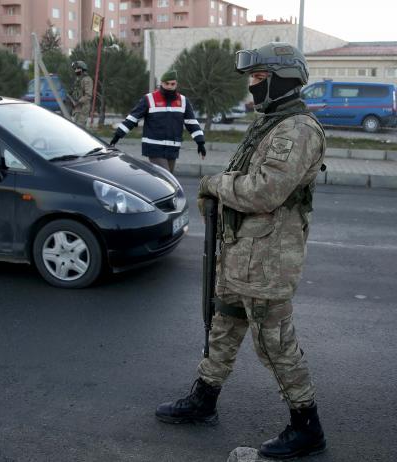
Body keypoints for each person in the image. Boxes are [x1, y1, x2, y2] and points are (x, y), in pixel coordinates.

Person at [155, 42, 327, 459]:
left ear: (282, 80)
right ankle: (204, 399)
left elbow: (265, 191)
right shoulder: (270, 122)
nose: (252, 87)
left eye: (258, 78)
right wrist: (220, 193)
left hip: (268, 259)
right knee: (224, 325)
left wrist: (214, 186)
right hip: (241, 252)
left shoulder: (297, 129)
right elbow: (243, 175)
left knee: (274, 343)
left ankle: (307, 424)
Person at [108, 69, 205, 173]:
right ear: (161, 83)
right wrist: (117, 136)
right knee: (165, 175)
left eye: (172, 84)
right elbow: (132, 118)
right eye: (166, 84)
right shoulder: (149, 99)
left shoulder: (183, 101)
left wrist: (200, 143)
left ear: (176, 84)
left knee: (167, 180)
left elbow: (192, 123)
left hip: (172, 148)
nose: (169, 86)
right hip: (153, 147)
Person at [69, 61, 93, 127]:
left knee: (80, 127)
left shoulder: (87, 79)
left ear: (82, 69)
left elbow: (88, 96)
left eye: (77, 68)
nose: (76, 70)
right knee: (75, 127)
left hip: (83, 108)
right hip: (76, 108)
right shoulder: (78, 79)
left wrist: (77, 102)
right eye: (75, 69)